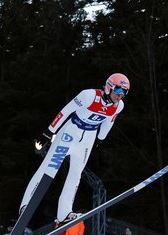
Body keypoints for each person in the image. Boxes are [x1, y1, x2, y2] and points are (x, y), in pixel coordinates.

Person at [18, 73, 129, 224]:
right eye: (118, 90)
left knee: (76, 174)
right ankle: (26, 205)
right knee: (49, 169)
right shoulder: (89, 95)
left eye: (124, 92)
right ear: (109, 87)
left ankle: (64, 213)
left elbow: (108, 123)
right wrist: (49, 132)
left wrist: (99, 140)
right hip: (70, 132)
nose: (120, 95)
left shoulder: (119, 106)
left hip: (87, 139)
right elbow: (66, 111)